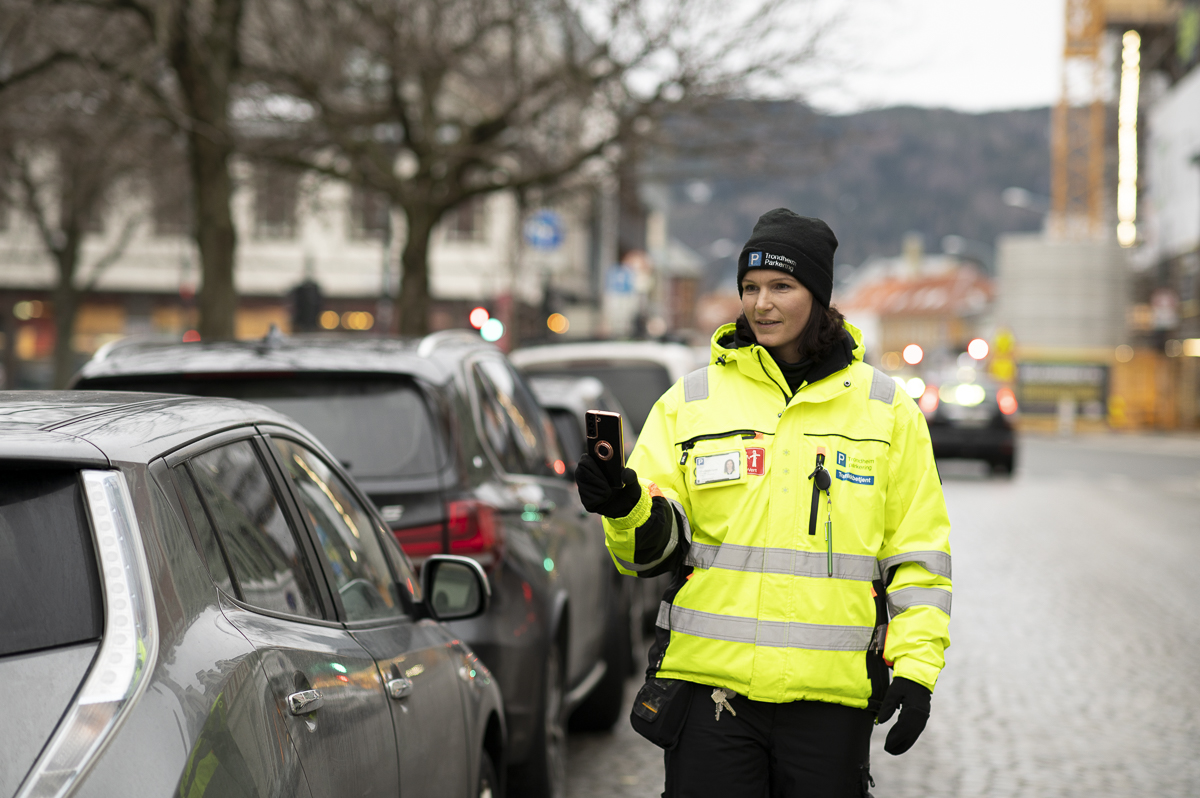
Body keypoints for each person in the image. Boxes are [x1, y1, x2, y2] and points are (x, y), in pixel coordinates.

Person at [575, 209, 952, 798]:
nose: (762, 304)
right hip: (710, 698)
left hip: (830, 700)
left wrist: (917, 669)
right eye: (749, 288)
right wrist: (624, 505)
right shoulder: (690, 403)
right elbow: (649, 552)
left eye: (782, 286)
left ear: (819, 296)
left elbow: (918, 557)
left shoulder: (886, 411)